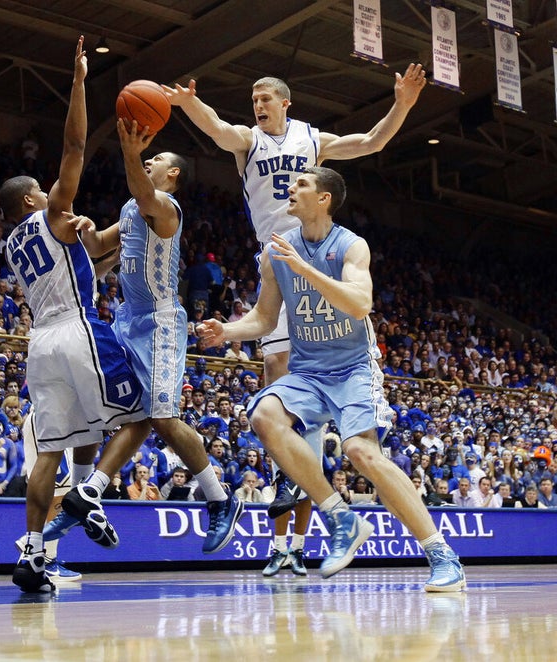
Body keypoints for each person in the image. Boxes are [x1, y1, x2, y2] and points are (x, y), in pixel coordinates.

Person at [165, 62, 427, 575]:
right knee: (276, 373)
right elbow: (218, 130)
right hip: (278, 261)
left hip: (320, 254)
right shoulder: (247, 141)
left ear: (286, 103)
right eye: (253, 98)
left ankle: (312, 474)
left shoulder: (314, 141)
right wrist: (188, 104)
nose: (258, 104)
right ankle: (297, 476)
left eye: (265, 97)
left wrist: (403, 104)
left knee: (322, 366)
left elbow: (372, 141)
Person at [197, 167, 464, 592]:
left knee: (362, 453)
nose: (291, 188)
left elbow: (361, 303)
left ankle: (441, 553)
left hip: (354, 367)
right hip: (308, 371)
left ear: (324, 198)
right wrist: (226, 331)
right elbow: (265, 319)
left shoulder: (350, 246)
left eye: (302, 184)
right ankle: (340, 515)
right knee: (264, 414)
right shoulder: (275, 253)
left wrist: (306, 270)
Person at [0, 37, 156, 594]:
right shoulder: (51, 216)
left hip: (40, 346)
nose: (49, 192)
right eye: (41, 191)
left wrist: (120, 227)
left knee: (50, 450)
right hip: (78, 329)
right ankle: (91, 493)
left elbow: (91, 257)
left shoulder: (16, 246)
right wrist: (79, 82)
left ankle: (35, 553)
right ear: (29, 201)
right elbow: (72, 146)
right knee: (148, 411)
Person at [76, 118, 243, 561]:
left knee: (164, 419)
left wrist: (130, 150)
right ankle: (88, 491)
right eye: (146, 157)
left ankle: (220, 498)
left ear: (173, 175)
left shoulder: (165, 206)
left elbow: (143, 192)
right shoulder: (132, 209)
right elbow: (96, 248)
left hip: (161, 322)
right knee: (127, 411)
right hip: (127, 319)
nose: (150, 160)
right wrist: (87, 230)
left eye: (158, 159)